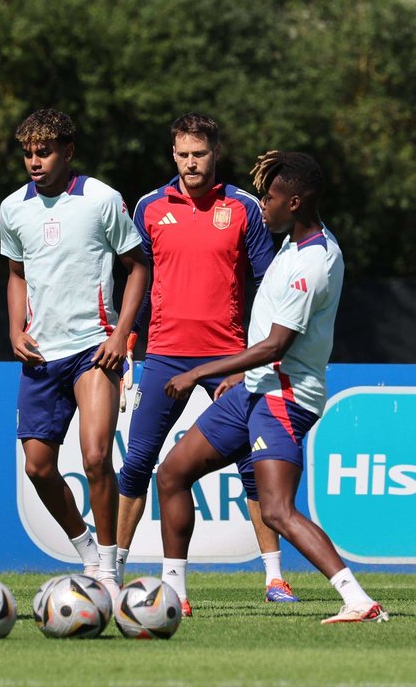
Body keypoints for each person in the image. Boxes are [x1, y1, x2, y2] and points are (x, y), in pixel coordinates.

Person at [157, 150, 389, 623]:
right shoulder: (293, 241)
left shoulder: (314, 262)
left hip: (284, 397)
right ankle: (171, 594)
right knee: (172, 474)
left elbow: (276, 344)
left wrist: (202, 371)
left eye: (272, 196)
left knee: (278, 511)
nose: (264, 204)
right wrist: (242, 375)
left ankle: (357, 600)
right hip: (255, 389)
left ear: (297, 202)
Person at [117, 112, 299, 614]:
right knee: (136, 463)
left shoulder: (243, 208)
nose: (191, 163)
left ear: (215, 153)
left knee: (252, 466)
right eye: (182, 154)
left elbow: (269, 285)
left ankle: (275, 578)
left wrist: (248, 359)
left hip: (229, 360)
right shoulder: (150, 208)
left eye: (199, 154)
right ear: (172, 154)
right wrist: (130, 341)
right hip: (164, 356)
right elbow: (139, 281)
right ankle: (111, 575)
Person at [0, 108, 149, 603]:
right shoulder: (12, 208)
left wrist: (121, 336)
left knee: (94, 457)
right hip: (40, 357)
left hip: (93, 350)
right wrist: (15, 328)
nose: (34, 161)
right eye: (28, 153)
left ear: (69, 152)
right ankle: (85, 547)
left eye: (44, 152)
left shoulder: (102, 199)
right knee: (38, 468)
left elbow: (138, 267)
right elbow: (17, 274)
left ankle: (109, 568)